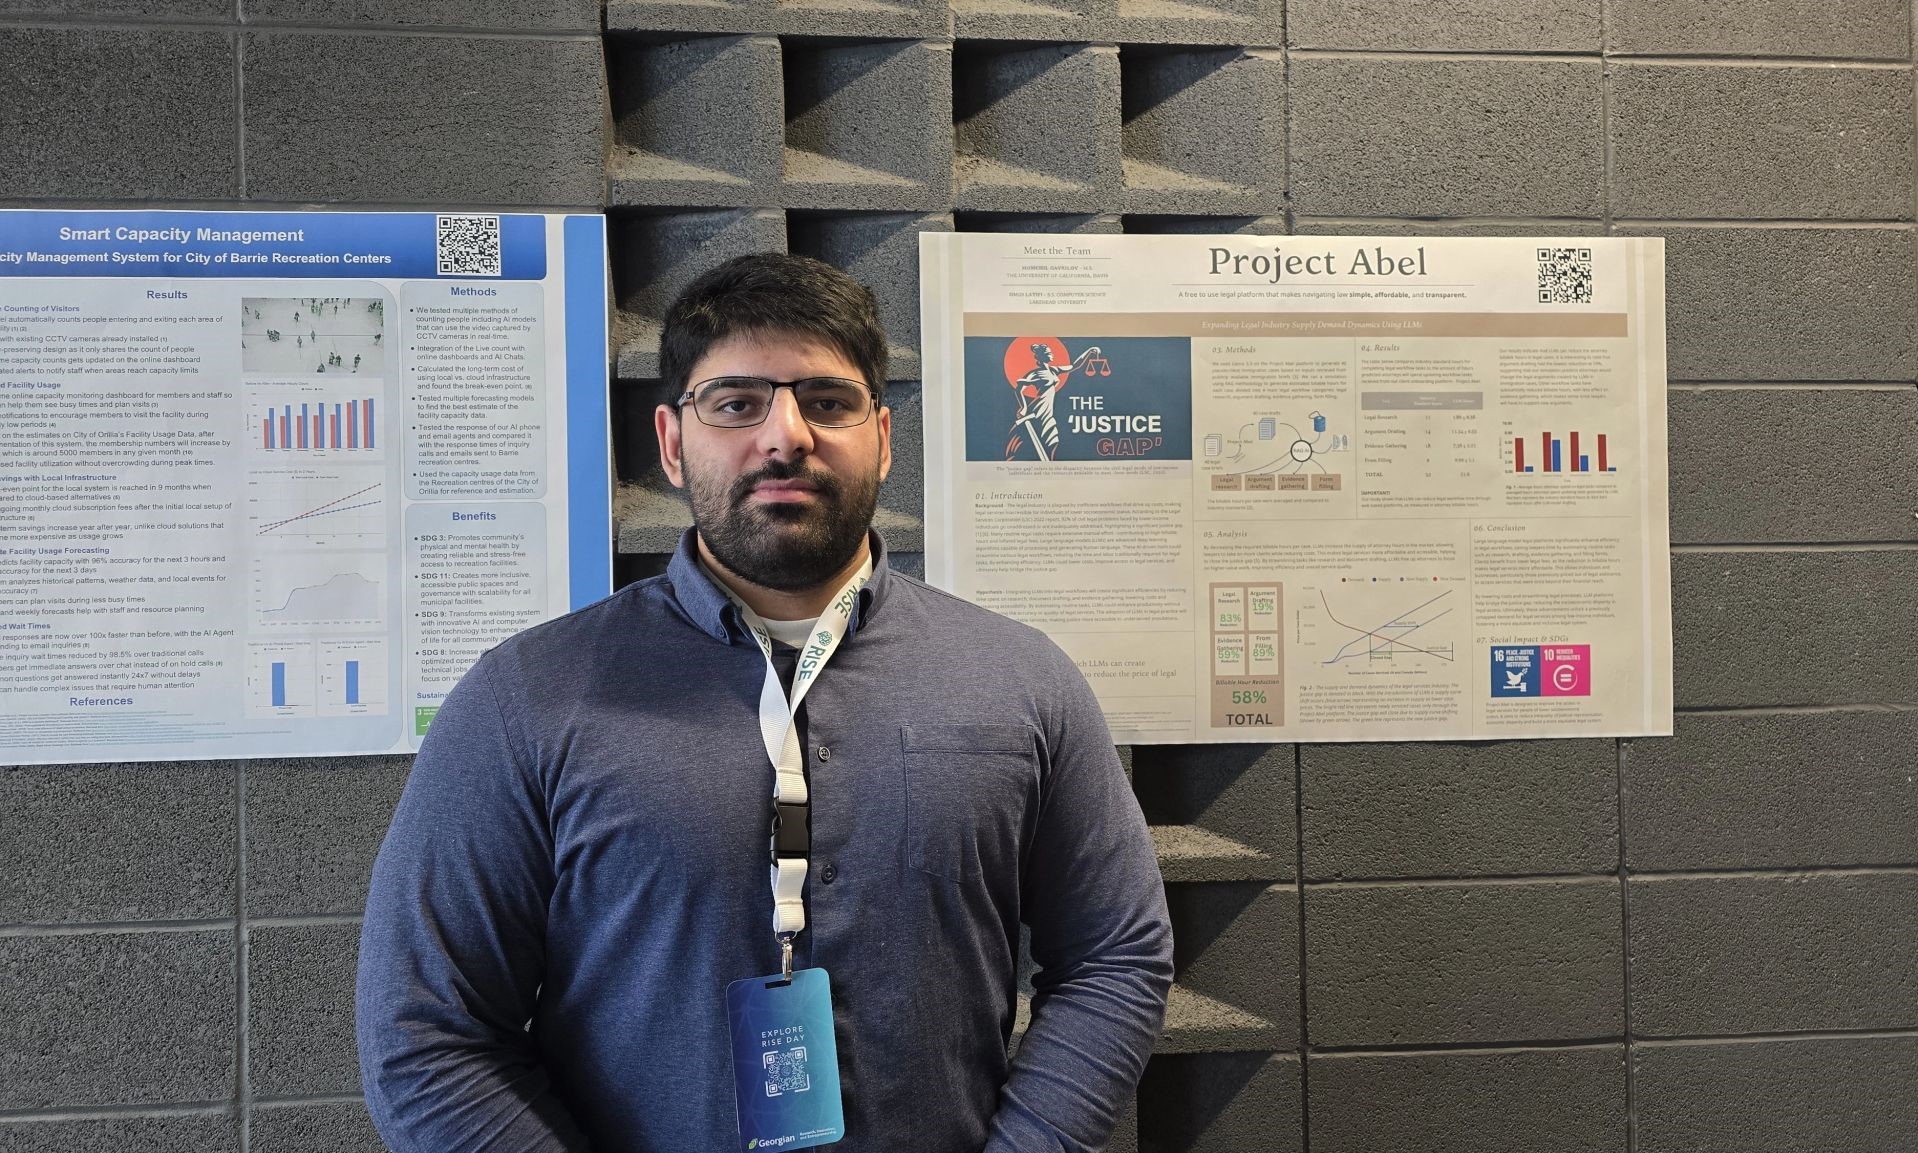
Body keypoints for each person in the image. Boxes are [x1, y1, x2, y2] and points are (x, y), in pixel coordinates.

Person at [356, 253, 1172, 1152]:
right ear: (671, 443)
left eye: (827, 400)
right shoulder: (527, 698)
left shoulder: (1023, 680)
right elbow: (425, 1030)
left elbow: (1116, 956)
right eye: (736, 402)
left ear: (885, 437)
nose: (785, 435)